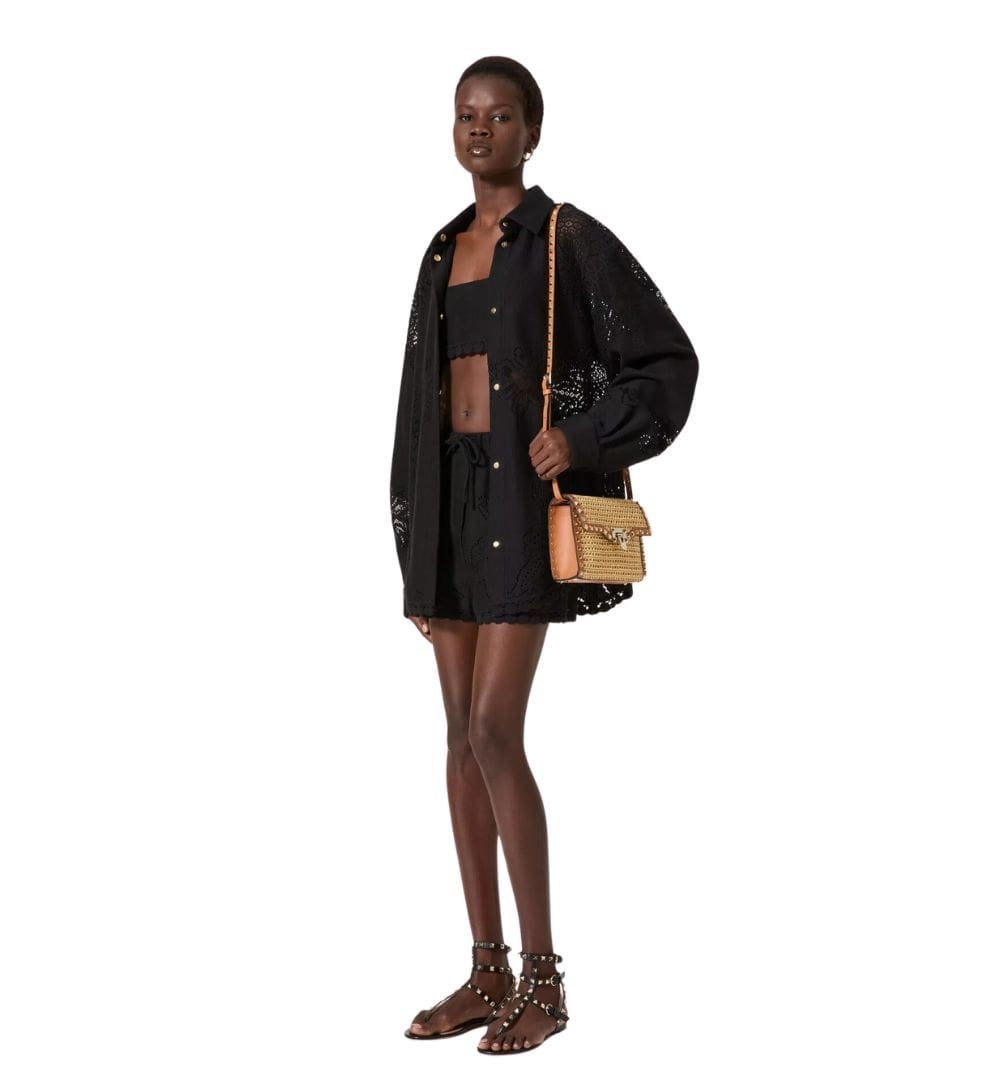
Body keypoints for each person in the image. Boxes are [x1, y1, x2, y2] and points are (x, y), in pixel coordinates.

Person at [391, 56, 699, 1054]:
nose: (480, 128)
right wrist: (411, 542)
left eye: (500, 115)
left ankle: (545, 979)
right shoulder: (442, 249)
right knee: (455, 738)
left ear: (532, 130)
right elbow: (416, 401)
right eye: (466, 114)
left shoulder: (567, 239)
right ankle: (485, 971)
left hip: (521, 506)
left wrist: (585, 435)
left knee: (493, 730)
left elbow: (667, 360)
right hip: (449, 503)